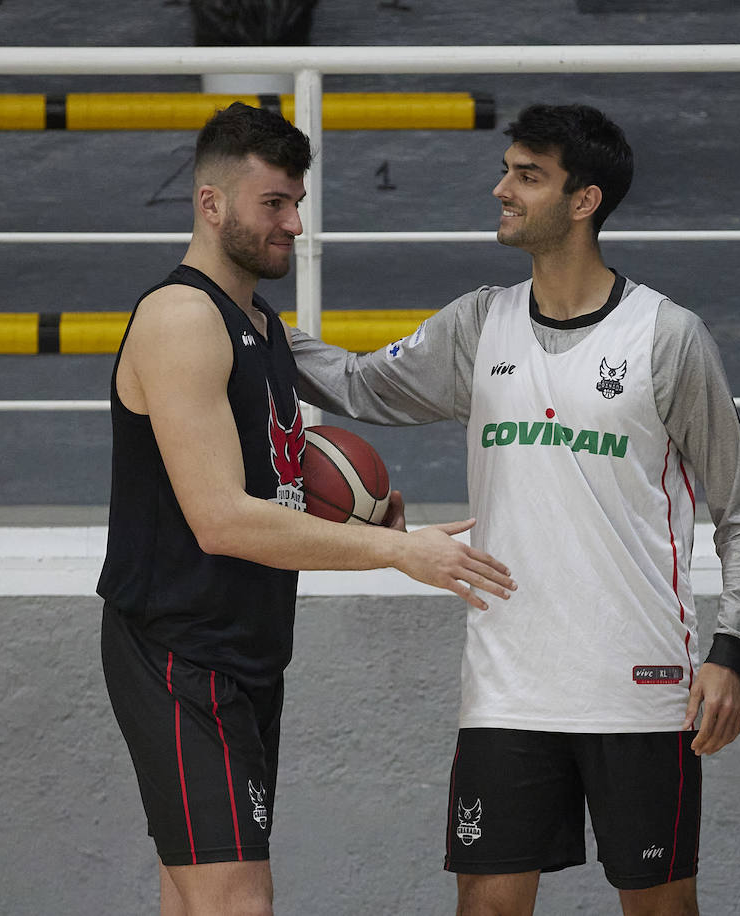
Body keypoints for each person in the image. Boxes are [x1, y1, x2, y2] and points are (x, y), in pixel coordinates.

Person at [290, 103, 740, 916]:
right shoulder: (481, 323)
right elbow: (360, 384)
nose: (502, 189)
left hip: (641, 685)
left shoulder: (668, 337)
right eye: (507, 170)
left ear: (583, 201)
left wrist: (734, 650)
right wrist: (250, 325)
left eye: (527, 176)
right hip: (508, 689)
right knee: (485, 905)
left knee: (661, 908)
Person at [96, 101, 515, 916]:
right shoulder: (181, 319)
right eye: (273, 203)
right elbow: (221, 518)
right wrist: (399, 553)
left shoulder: (262, 326)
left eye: (296, 202)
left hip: (245, 650)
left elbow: (273, 491)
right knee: (238, 900)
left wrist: (355, 527)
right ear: (211, 203)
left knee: (195, 896)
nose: (293, 223)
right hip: (178, 652)